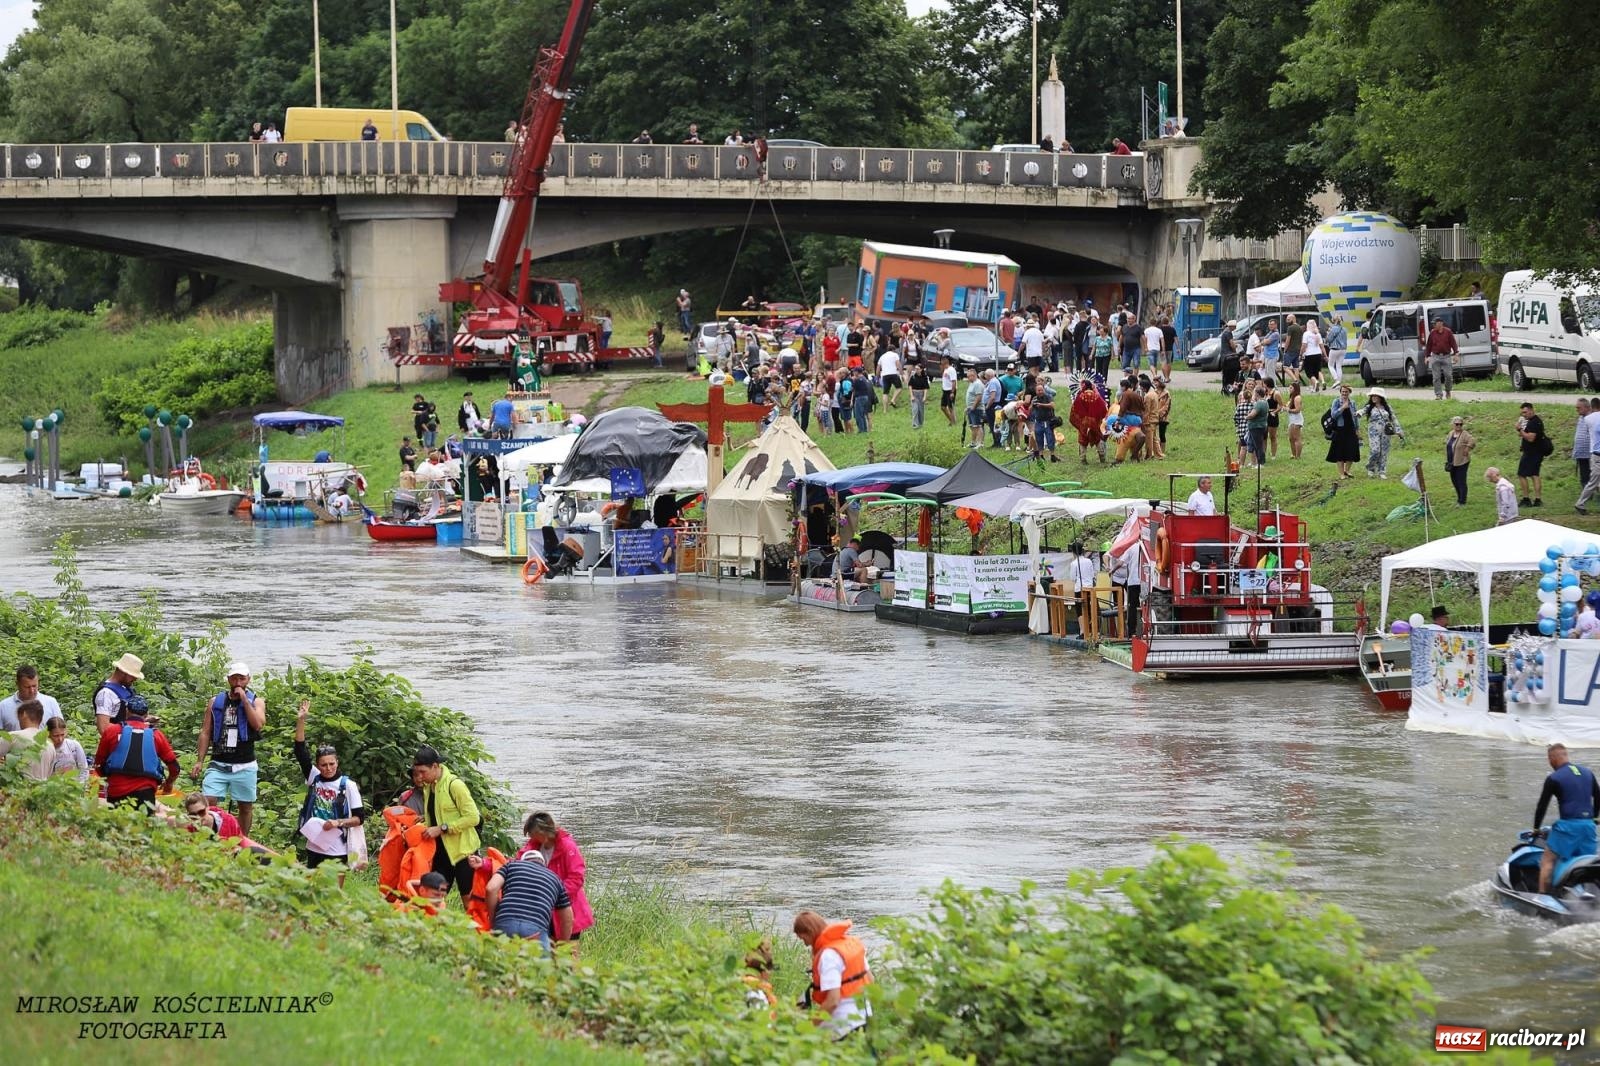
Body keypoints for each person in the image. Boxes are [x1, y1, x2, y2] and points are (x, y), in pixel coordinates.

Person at [192, 662, 267, 838]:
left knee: (245, 806)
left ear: (248, 679)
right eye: (234, 678)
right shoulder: (215, 702)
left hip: (245, 764)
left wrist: (244, 701)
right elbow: (205, 732)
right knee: (208, 801)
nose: (238, 682)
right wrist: (199, 761)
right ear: (228, 680)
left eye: (242, 678)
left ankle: (241, 840)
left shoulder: (256, 701)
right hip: (219, 762)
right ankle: (210, 837)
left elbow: (258, 724)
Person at [294, 699, 367, 871]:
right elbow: (299, 751)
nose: (328, 768)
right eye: (323, 765)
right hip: (314, 843)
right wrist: (301, 720)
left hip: (337, 846)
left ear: (337, 762)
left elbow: (359, 818)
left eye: (331, 764)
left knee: (335, 890)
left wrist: (337, 823)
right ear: (318, 765)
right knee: (313, 887)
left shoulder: (348, 785)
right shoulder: (314, 777)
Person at [413, 745, 481, 899]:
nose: (420, 777)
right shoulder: (429, 787)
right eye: (418, 773)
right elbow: (440, 812)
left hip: (464, 853)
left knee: (469, 901)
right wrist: (425, 820)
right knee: (433, 898)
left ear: (435, 766)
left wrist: (442, 828)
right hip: (440, 853)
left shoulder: (455, 785)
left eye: (423, 772)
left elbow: (473, 817)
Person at [515, 812, 594, 945]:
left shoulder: (568, 846)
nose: (530, 837)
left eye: (533, 833)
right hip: (544, 909)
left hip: (568, 908)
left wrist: (553, 894)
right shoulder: (533, 846)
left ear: (544, 832)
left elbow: (576, 877)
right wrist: (485, 864)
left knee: (569, 952)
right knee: (548, 952)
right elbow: (515, 865)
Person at [793, 910, 873, 1038]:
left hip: (843, 1024)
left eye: (803, 938)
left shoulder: (828, 955)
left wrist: (808, 1028)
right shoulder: (851, 944)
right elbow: (870, 980)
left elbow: (833, 1001)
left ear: (810, 931)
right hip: (865, 1017)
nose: (805, 943)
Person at [1532, 743, 1599, 894]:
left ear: (1552, 758)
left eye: (1549, 759)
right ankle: (1590, 896)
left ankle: (1542, 898)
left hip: (1568, 827)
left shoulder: (1554, 778)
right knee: (1587, 865)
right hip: (1589, 827)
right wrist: (1594, 818)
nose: (1549, 763)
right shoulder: (1587, 772)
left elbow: (1542, 806)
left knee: (1547, 860)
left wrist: (1536, 829)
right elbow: (1598, 795)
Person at [94, 697, 179, 810]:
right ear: (146, 715)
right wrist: (169, 783)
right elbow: (174, 767)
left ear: (127, 711)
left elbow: (99, 764)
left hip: (116, 791)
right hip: (145, 793)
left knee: (117, 826)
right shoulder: (156, 735)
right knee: (143, 825)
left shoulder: (112, 731)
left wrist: (108, 777)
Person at [486, 850, 573, 953]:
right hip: (536, 930)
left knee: (499, 964)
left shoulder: (511, 865)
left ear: (523, 860)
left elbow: (491, 888)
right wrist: (562, 948)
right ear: (543, 864)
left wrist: (492, 920)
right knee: (540, 968)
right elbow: (568, 918)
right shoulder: (555, 879)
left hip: (506, 924)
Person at [94, 652, 147, 736]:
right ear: (123, 672)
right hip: (116, 742)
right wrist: (133, 728)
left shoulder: (127, 689)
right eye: (132, 675)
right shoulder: (106, 693)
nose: (135, 679)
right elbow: (103, 727)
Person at [2, 700, 55, 781]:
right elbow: (49, 776)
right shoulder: (50, 745)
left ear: (24, 714)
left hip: (16, 790)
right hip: (40, 791)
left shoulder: (13, 736)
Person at [1, 664, 62, 730]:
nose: (32, 691)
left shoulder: (51, 703)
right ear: (17, 684)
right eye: (27, 687)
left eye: (34, 686)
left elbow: (61, 731)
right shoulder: (3, 707)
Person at [1361, 388, 1404, 478]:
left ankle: (1382, 471)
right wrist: (1358, 413)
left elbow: (1393, 418)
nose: (1373, 397)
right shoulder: (1369, 407)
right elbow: (1362, 411)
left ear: (1380, 397)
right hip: (1374, 431)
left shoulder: (1387, 407)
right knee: (1375, 450)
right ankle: (1371, 468)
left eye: (1375, 396)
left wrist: (1398, 430)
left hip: (1385, 432)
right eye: (1372, 396)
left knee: (1384, 451)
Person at [1516, 401, 1548, 507]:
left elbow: (1530, 438)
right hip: (1535, 452)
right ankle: (1538, 499)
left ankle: (1526, 498)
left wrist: (1519, 429)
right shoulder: (1532, 421)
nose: (1523, 415)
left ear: (1531, 410)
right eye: (1522, 413)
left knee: (1521, 474)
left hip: (1532, 453)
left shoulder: (1534, 422)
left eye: (1525, 412)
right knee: (1535, 474)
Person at [1324, 384, 1361, 479]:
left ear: (1349, 392)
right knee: (1339, 451)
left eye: (1346, 391)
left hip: (1351, 429)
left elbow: (1355, 417)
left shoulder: (1352, 403)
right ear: (1340, 392)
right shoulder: (1336, 401)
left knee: (1352, 449)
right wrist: (1342, 408)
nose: (1344, 393)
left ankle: (1347, 470)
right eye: (1342, 391)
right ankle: (1341, 473)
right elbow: (1333, 415)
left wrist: (1357, 429)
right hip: (1340, 429)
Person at [1425, 316, 1460, 399]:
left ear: (1440, 323)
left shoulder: (1448, 332)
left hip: (1446, 356)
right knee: (1436, 377)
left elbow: (1453, 344)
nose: (1433, 325)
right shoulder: (1432, 333)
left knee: (1448, 375)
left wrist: (1456, 354)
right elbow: (1428, 345)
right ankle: (1438, 394)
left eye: (1435, 323)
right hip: (1435, 356)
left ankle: (1448, 391)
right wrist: (1427, 356)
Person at [47, 716, 89, 784]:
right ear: (48, 734)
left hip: (74, 789)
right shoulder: (45, 750)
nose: (60, 739)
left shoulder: (73, 746)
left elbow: (84, 769)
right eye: (56, 736)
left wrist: (81, 786)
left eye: (62, 735)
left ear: (66, 731)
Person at [1444, 416, 1476, 506]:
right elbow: (1447, 443)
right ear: (1453, 425)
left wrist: (1467, 448)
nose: (1459, 426)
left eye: (1460, 424)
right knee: (1454, 480)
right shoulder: (1451, 433)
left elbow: (1472, 441)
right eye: (1457, 424)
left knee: (1461, 481)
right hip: (1451, 462)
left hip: (1462, 461)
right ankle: (1459, 498)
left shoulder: (1464, 434)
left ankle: (1462, 500)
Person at [1030, 380, 1060, 463]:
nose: (1040, 392)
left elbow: (1052, 405)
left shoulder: (1048, 397)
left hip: (1047, 421)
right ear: (1035, 391)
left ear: (1044, 390)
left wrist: (1041, 405)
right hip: (1038, 421)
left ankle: (1052, 455)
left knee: (1050, 438)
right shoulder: (1034, 399)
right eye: (1038, 390)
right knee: (1039, 439)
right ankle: (1041, 455)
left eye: (1041, 390)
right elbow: (1030, 410)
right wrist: (1032, 405)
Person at [1146, 374, 1171, 459]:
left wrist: (1160, 414)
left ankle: (1162, 451)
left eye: (1157, 381)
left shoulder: (1166, 393)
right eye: (1154, 381)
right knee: (1153, 435)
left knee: (1162, 434)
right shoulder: (1153, 392)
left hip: (1163, 417)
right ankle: (1155, 451)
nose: (1155, 383)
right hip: (1154, 416)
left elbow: (1166, 406)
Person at [1284, 382, 1305, 460]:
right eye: (1289, 387)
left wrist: (1289, 410)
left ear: (1295, 389)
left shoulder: (1297, 398)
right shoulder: (1292, 397)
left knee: (1297, 438)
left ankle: (1298, 456)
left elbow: (1298, 410)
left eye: (1291, 388)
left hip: (1297, 420)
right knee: (1291, 438)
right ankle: (1293, 454)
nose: (1289, 389)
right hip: (1291, 420)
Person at [877, 345, 902, 409]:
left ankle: (885, 410)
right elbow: (898, 364)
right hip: (893, 373)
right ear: (893, 350)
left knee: (885, 392)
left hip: (885, 375)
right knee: (899, 388)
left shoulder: (882, 356)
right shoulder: (895, 355)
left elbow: (878, 367)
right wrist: (901, 372)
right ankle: (893, 400)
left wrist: (877, 377)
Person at [907, 361, 930, 430]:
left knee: (921, 410)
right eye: (915, 369)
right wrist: (911, 395)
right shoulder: (913, 377)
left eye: (917, 369)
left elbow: (926, 388)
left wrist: (925, 397)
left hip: (921, 394)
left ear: (921, 369)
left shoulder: (924, 377)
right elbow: (910, 386)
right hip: (914, 393)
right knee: (915, 409)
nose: (916, 370)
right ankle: (915, 424)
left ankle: (920, 423)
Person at [1325, 319, 1347, 386]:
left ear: (1333, 321)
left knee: (1330, 365)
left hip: (1335, 349)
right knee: (1339, 366)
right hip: (1343, 349)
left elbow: (1328, 339)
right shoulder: (1344, 329)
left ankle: (1336, 379)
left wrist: (1327, 333)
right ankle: (1339, 383)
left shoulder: (1333, 329)